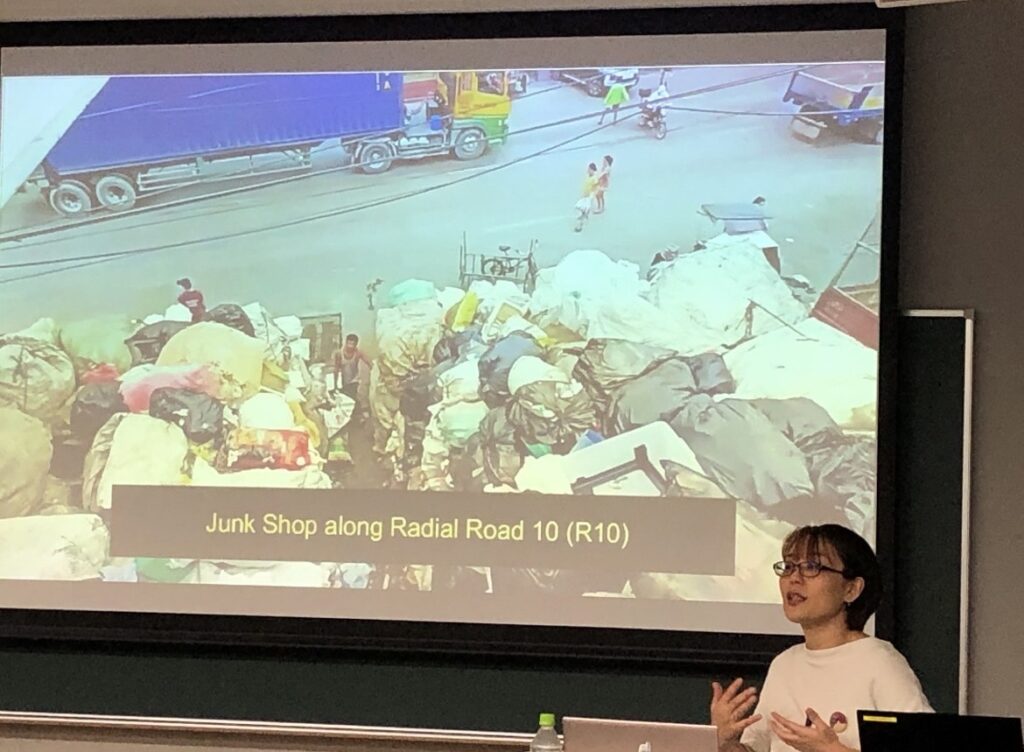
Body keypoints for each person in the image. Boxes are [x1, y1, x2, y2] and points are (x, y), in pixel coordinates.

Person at [710, 524, 931, 752]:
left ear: (852, 589)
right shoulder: (784, 665)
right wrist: (724, 742)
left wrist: (831, 749)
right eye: (789, 566)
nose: (794, 578)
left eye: (812, 566)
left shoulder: (880, 661)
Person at [333, 334, 372, 400]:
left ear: (356, 345)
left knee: (353, 395)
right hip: (345, 381)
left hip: (355, 380)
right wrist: (335, 385)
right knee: (346, 397)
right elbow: (336, 370)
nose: (350, 347)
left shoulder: (358, 353)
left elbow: (369, 362)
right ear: (346, 343)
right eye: (349, 344)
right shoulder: (339, 354)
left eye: (352, 344)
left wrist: (374, 372)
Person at [574, 162, 599, 232]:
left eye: (589, 169)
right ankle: (584, 214)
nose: (588, 170)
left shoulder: (594, 178)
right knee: (578, 206)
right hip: (585, 195)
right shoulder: (588, 176)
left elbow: (596, 187)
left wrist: (592, 194)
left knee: (584, 208)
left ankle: (579, 227)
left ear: (592, 170)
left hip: (589, 196)